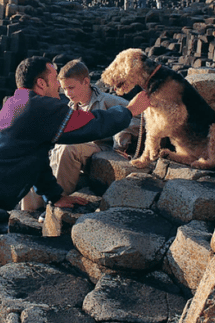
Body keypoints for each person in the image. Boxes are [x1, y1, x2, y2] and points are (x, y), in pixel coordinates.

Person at [0, 56, 151, 307]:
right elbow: (90, 126)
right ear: (41, 83)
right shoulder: (40, 106)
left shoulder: (16, 104)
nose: (59, 86)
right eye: (54, 79)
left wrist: (54, 195)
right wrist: (129, 111)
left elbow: (35, 160)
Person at [20, 59, 140, 212]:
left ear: (86, 82)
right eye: (64, 89)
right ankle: (28, 214)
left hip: (102, 148)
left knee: (68, 148)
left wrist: (120, 144)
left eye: (71, 87)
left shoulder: (109, 101)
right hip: (78, 149)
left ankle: (56, 205)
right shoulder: (70, 106)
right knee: (35, 163)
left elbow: (136, 117)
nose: (68, 93)